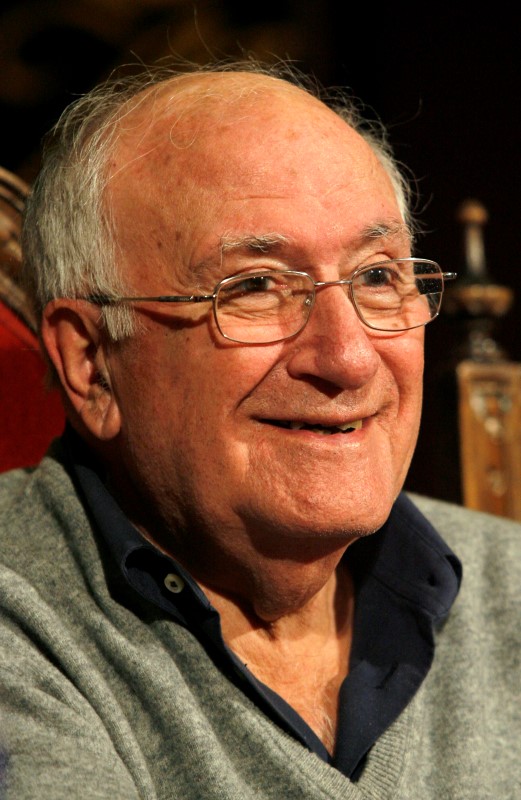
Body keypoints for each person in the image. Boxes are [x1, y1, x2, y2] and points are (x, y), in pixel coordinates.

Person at [0, 60, 519, 800]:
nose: (346, 356)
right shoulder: (22, 624)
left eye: (377, 276)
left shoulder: (508, 586)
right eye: (253, 287)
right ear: (91, 363)